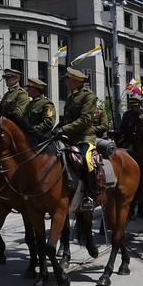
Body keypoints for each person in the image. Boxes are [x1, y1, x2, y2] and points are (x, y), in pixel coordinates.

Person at [55, 67, 98, 211]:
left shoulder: (88, 96)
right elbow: (67, 119)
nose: (65, 82)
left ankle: (90, 196)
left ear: (74, 81)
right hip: (69, 137)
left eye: (67, 79)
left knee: (86, 160)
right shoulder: (71, 97)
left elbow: (85, 119)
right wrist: (56, 129)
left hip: (84, 137)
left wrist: (65, 129)